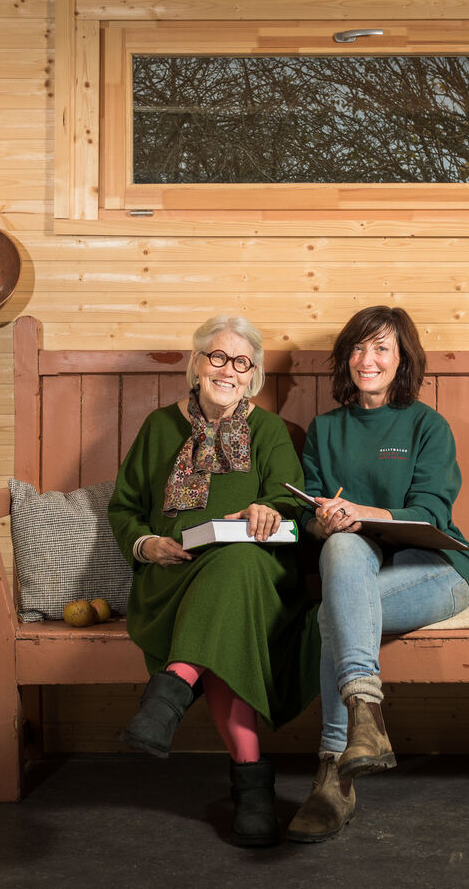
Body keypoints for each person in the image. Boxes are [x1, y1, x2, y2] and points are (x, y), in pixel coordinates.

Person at [108, 315, 319, 847]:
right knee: (224, 623)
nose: (228, 369)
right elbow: (125, 507)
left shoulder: (269, 433)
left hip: (259, 574)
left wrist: (268, 511)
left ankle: (170, 692)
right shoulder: (159, 427)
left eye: (242, 362)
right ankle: (252, 788)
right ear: (196, 364)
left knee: (235, 566)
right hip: (174, 576)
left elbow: (294, 509)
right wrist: (145, 543)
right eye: (217, 357)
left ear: (253, 377)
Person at [286, 306, 469, 843]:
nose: (367, 360)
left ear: (402, 360)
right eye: (358, 348)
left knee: (333, 614)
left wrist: (365, 513)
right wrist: (325, 522)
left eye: (381, 349)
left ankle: (331, 778)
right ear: (346, 358)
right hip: (359, 567)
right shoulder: (325, 429)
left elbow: (432, 511)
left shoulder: (425, 424)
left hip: (433, 568)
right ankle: (364, 716)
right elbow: (306, 517)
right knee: (342, 547)